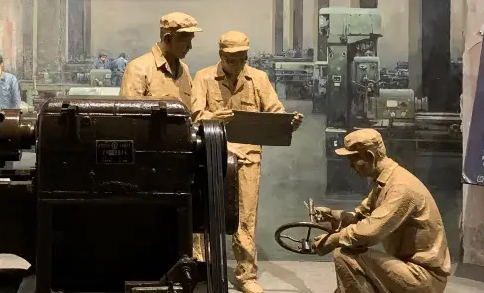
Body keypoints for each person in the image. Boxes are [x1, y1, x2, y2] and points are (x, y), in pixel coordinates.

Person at [190, 30, 303, 293]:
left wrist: (289, 123)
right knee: (205, 214)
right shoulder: (204, 77)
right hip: (212, 155)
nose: (238, 63)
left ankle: (246, 274)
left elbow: (274, 112)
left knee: (246, 218)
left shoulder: (258, 78)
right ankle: (202, 269)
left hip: (248, 160)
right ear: (221, 55)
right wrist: (212, 117)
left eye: (243, 58)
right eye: (232, 58)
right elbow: (195, 116)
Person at [312, 129, 451, 293]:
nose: (350, 165)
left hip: (422, 277)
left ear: (369, 156)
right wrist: (333, 215)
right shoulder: (383, 182)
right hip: (408, 268)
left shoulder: (400, 187)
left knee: (345, 256)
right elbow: (361, 217)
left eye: (353, 158)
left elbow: (369, 232)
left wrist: (333, 240)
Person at [119, 12, 201, 105]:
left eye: (190, 40)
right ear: (168, 39)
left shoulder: (184, 70)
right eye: (185, 41)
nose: (190, 46)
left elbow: (192, 107)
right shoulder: (138, 69)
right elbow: (130, 111)